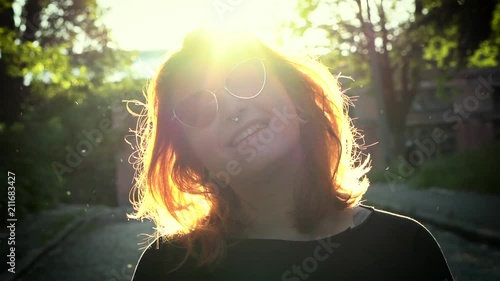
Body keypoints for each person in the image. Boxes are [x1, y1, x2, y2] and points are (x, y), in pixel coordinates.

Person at [128, 29, 454, 281]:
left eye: (246, 79)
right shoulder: (168, 267)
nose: (232, 108)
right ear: (191, 157)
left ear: (297, 101)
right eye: (198, 108)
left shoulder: (405, 248)